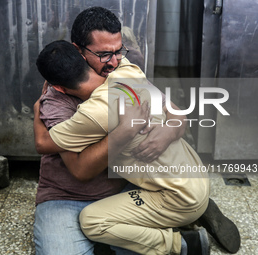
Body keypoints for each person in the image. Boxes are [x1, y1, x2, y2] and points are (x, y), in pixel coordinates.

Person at [33, 6, 240, 255]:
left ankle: (185, 208)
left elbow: (175, 112)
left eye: (118, 50)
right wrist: (123, 133)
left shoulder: (123, 69)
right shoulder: (56, 100)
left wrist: (168, 132)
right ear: (78, 51)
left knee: (115, 232)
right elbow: (81, 170)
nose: (114, 59)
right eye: (104, 54)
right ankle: (187, 222)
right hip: (68, 195)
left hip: (130, 186)